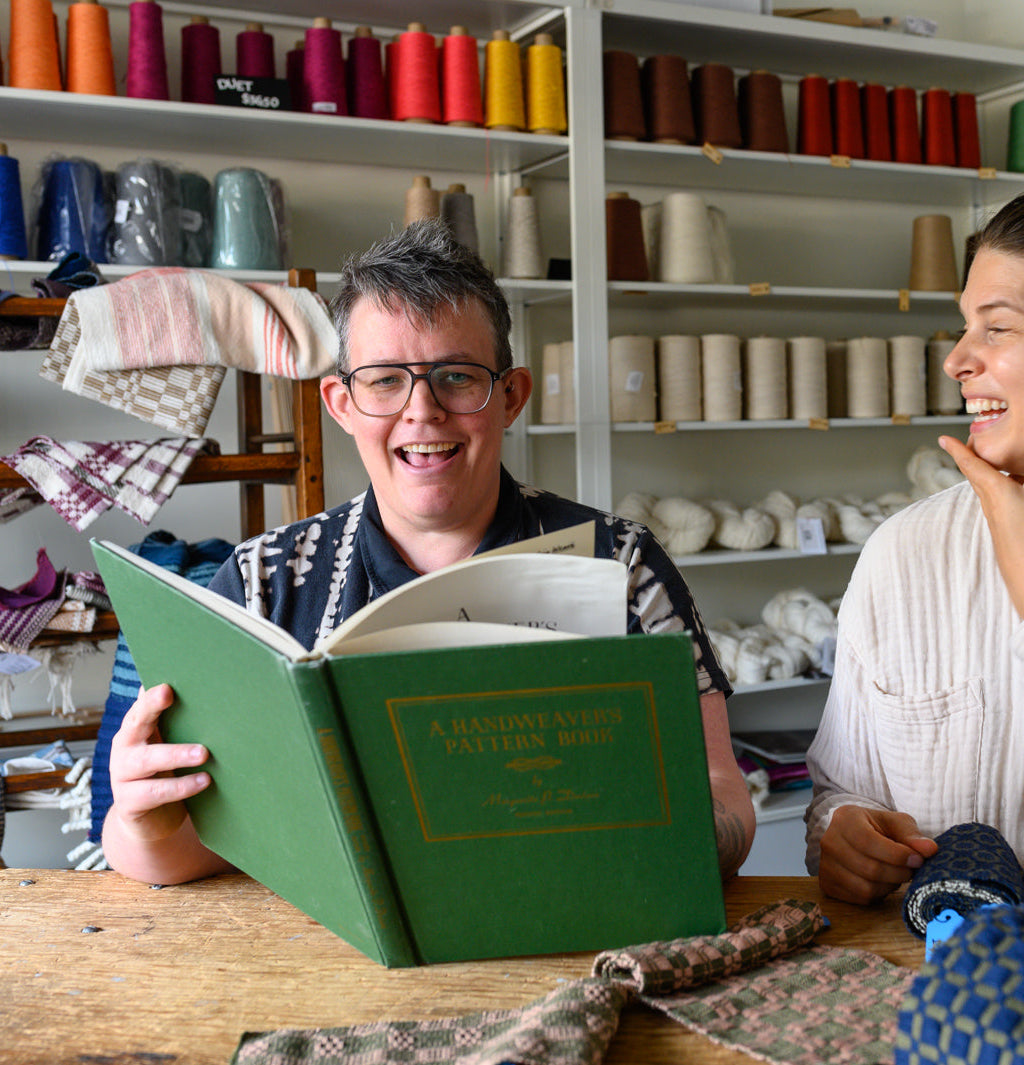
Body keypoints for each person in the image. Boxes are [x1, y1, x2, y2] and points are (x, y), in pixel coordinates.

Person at [102, 219, 756, 887]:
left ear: (510, 397)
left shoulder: (622, 565)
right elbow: (187, 850)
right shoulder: (261, 584)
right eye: (385, 380)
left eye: (455, 376)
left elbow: (722, 792)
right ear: (341, 402)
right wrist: (140, 821)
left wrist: (650, 827)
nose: (423, 410)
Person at [805, 188, 1024, 904]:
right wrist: (842, 830)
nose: (954, 360)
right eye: (961, 327)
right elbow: (837, 790)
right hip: (939, 999)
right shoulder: (903, 555)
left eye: (997, 329)